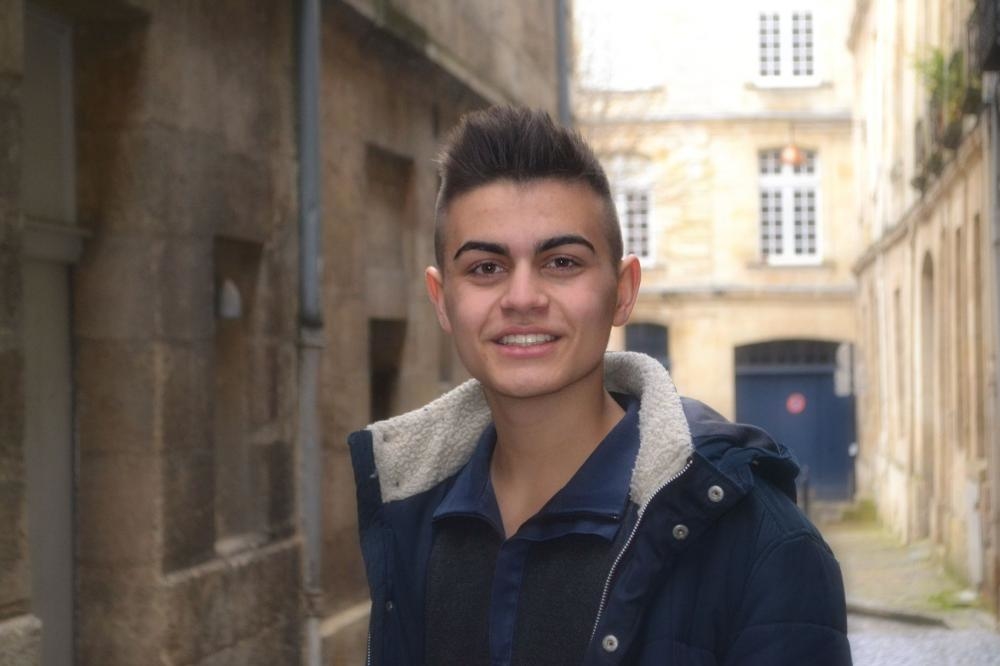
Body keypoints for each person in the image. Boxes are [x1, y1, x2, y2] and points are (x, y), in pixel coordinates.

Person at [348, 106, 851, 665]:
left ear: (623, 291)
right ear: (442, 300)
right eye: (486, 268)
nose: (522, 298)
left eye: (561, 262)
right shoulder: (412, 519)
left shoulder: (761, 546)